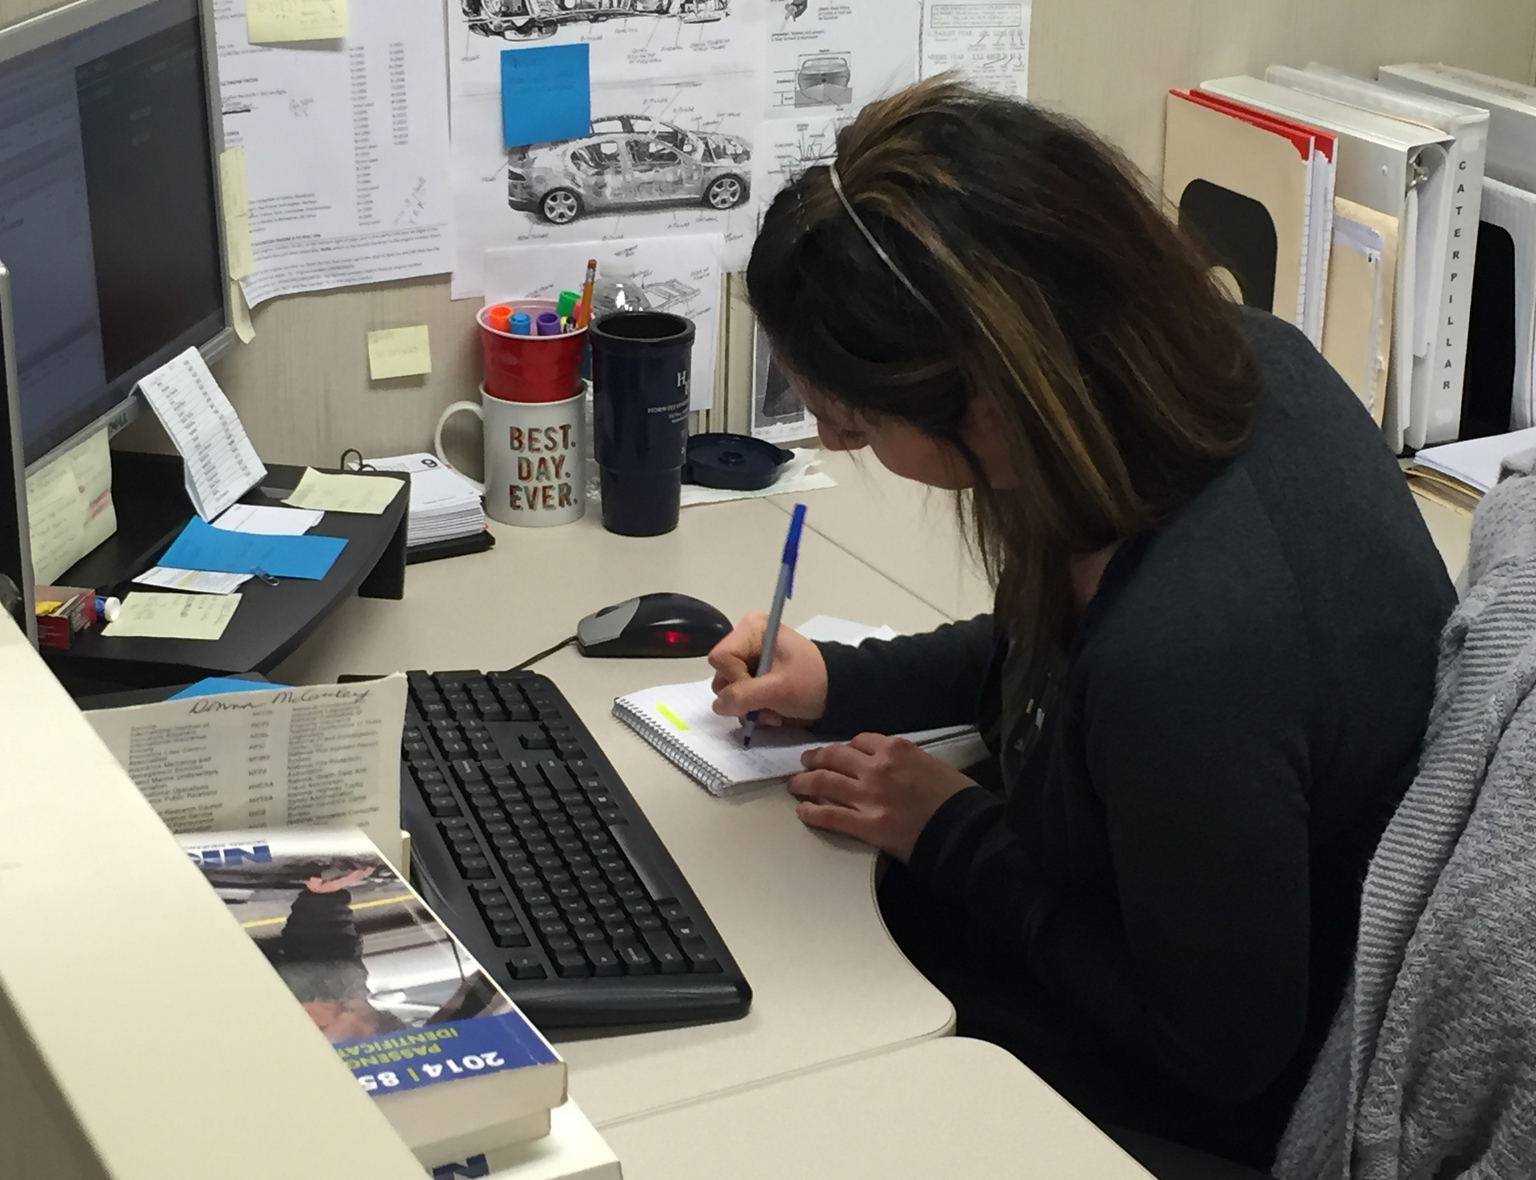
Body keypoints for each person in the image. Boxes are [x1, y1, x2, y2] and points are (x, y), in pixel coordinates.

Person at [708, 78, 1456, 1169]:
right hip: (1183, 959)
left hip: (1224, 1103)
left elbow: (1214, 1052)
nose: (840, 443)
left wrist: (950, 831)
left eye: (857, 425)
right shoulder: (1241, 368)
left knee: (778, 1049)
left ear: (991, 414)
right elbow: (1068, 649)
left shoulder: (1193, 654)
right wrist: (846, 678)